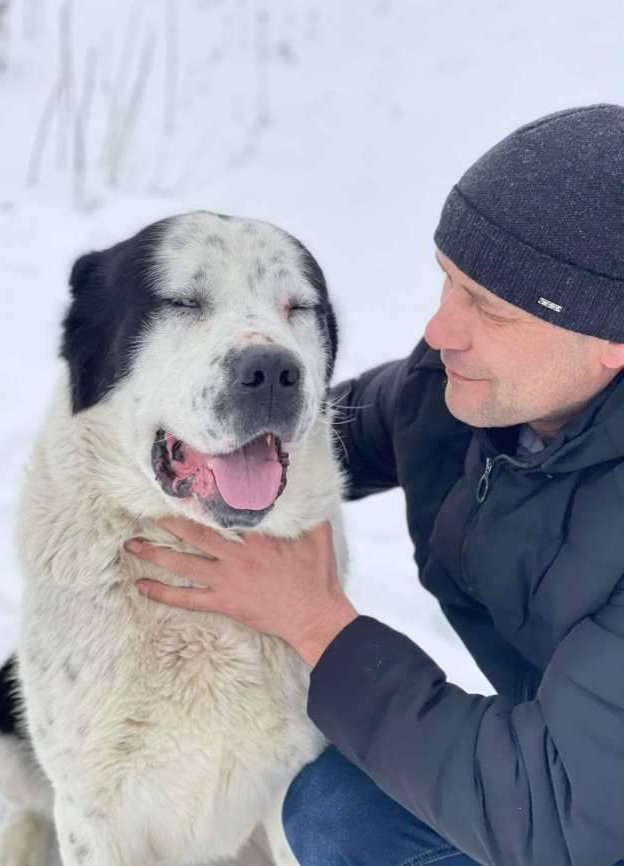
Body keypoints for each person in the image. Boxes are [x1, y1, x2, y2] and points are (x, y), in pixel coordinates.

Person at [125, 104, 624, 866]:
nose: (441, 329)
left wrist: (315, 621)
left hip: (573, 813)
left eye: (490, 309)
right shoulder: (468, 393)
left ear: (610, 341)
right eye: (449, 281)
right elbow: (344, 434)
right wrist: (215, 449)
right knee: (336, 808)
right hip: (580, 772)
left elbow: (556, 812)